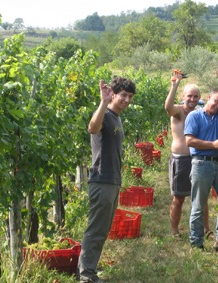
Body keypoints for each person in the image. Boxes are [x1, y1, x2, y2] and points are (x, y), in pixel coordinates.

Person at [78, 76, 136, 283]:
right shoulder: (105, 114)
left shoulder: (117, 118)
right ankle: (86, 275)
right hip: (101, 180)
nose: (127, 100)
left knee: (102, 229)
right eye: (123, 95)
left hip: (112, 181)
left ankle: (89, 269)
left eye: (130, 96)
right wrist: (103, 102)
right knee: (96, 230)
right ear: (113, 95)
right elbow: (92, 128)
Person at [184, 85, 218, 255]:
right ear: (209, 98)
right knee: (198, 205)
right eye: (216, 101)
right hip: (201, 163)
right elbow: (190, 141)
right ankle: (196, 243)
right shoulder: (194, 116)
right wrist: (212, 144)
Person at [164, 72, 212, 240]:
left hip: (198, 159)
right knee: (178, 198)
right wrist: (174, 85)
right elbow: (168, 107)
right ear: (183, 97)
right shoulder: (178, 111)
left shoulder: (200, 114)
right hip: (181, 159)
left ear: (200, 98)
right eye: (189, 96)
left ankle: (206, 229)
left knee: (202, 197)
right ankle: (174, 230)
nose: (192, 99)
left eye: (195, 96)